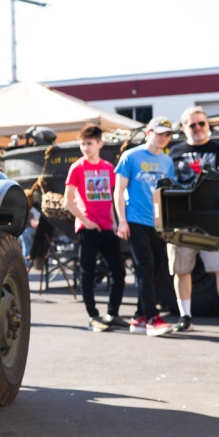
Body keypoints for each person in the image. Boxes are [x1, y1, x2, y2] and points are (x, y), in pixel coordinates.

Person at [167, 106, 219, 336]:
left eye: (201, 123)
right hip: (182, 219)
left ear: (208, 125)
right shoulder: (173, 152)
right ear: (184, 128)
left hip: (213, 221)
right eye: (192, 124)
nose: (197, 128)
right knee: (181, 269)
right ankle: (185, 317)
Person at [114, 117, 178, 337]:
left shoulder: (167, 161)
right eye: (159, 133)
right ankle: (152, 318)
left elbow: (169, 193)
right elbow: (118, 190)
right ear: (148, 133)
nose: (163, 138)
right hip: (135, 221)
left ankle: (139, 317)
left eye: (167, 134)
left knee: (157, 268)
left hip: (157, 224)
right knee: (145, 268)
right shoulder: (130, 156)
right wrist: (122, 220)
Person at [63, 124, 127, 332]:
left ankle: (113, 313)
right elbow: (68, 201)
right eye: (82, 144)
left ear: (100, 144)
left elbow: (109, 197)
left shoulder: (108, 168)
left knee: (118, 271)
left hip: (107, 227)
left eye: (89, 143)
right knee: (87, 273)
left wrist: (115, 221)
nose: (85, 148)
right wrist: (85, 221)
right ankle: (93, 316)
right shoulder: (77, 168)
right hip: (87, 226)